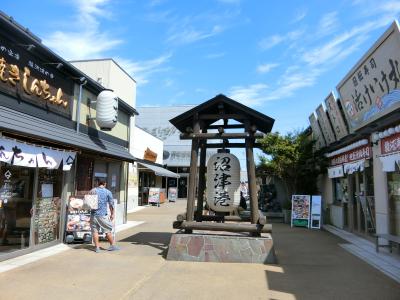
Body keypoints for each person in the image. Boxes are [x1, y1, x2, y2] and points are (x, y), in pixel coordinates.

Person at [90, 181, 119, 253]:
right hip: (102, 214)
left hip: (93, 214)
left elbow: (88, 201)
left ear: (98, 184)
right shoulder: (107, 192)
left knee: (95, 231)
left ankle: (97, 248)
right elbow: (111, 204)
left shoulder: (92, 191)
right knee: (107, 230)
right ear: (105, 184)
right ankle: (112, 245)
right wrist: (112, 214)